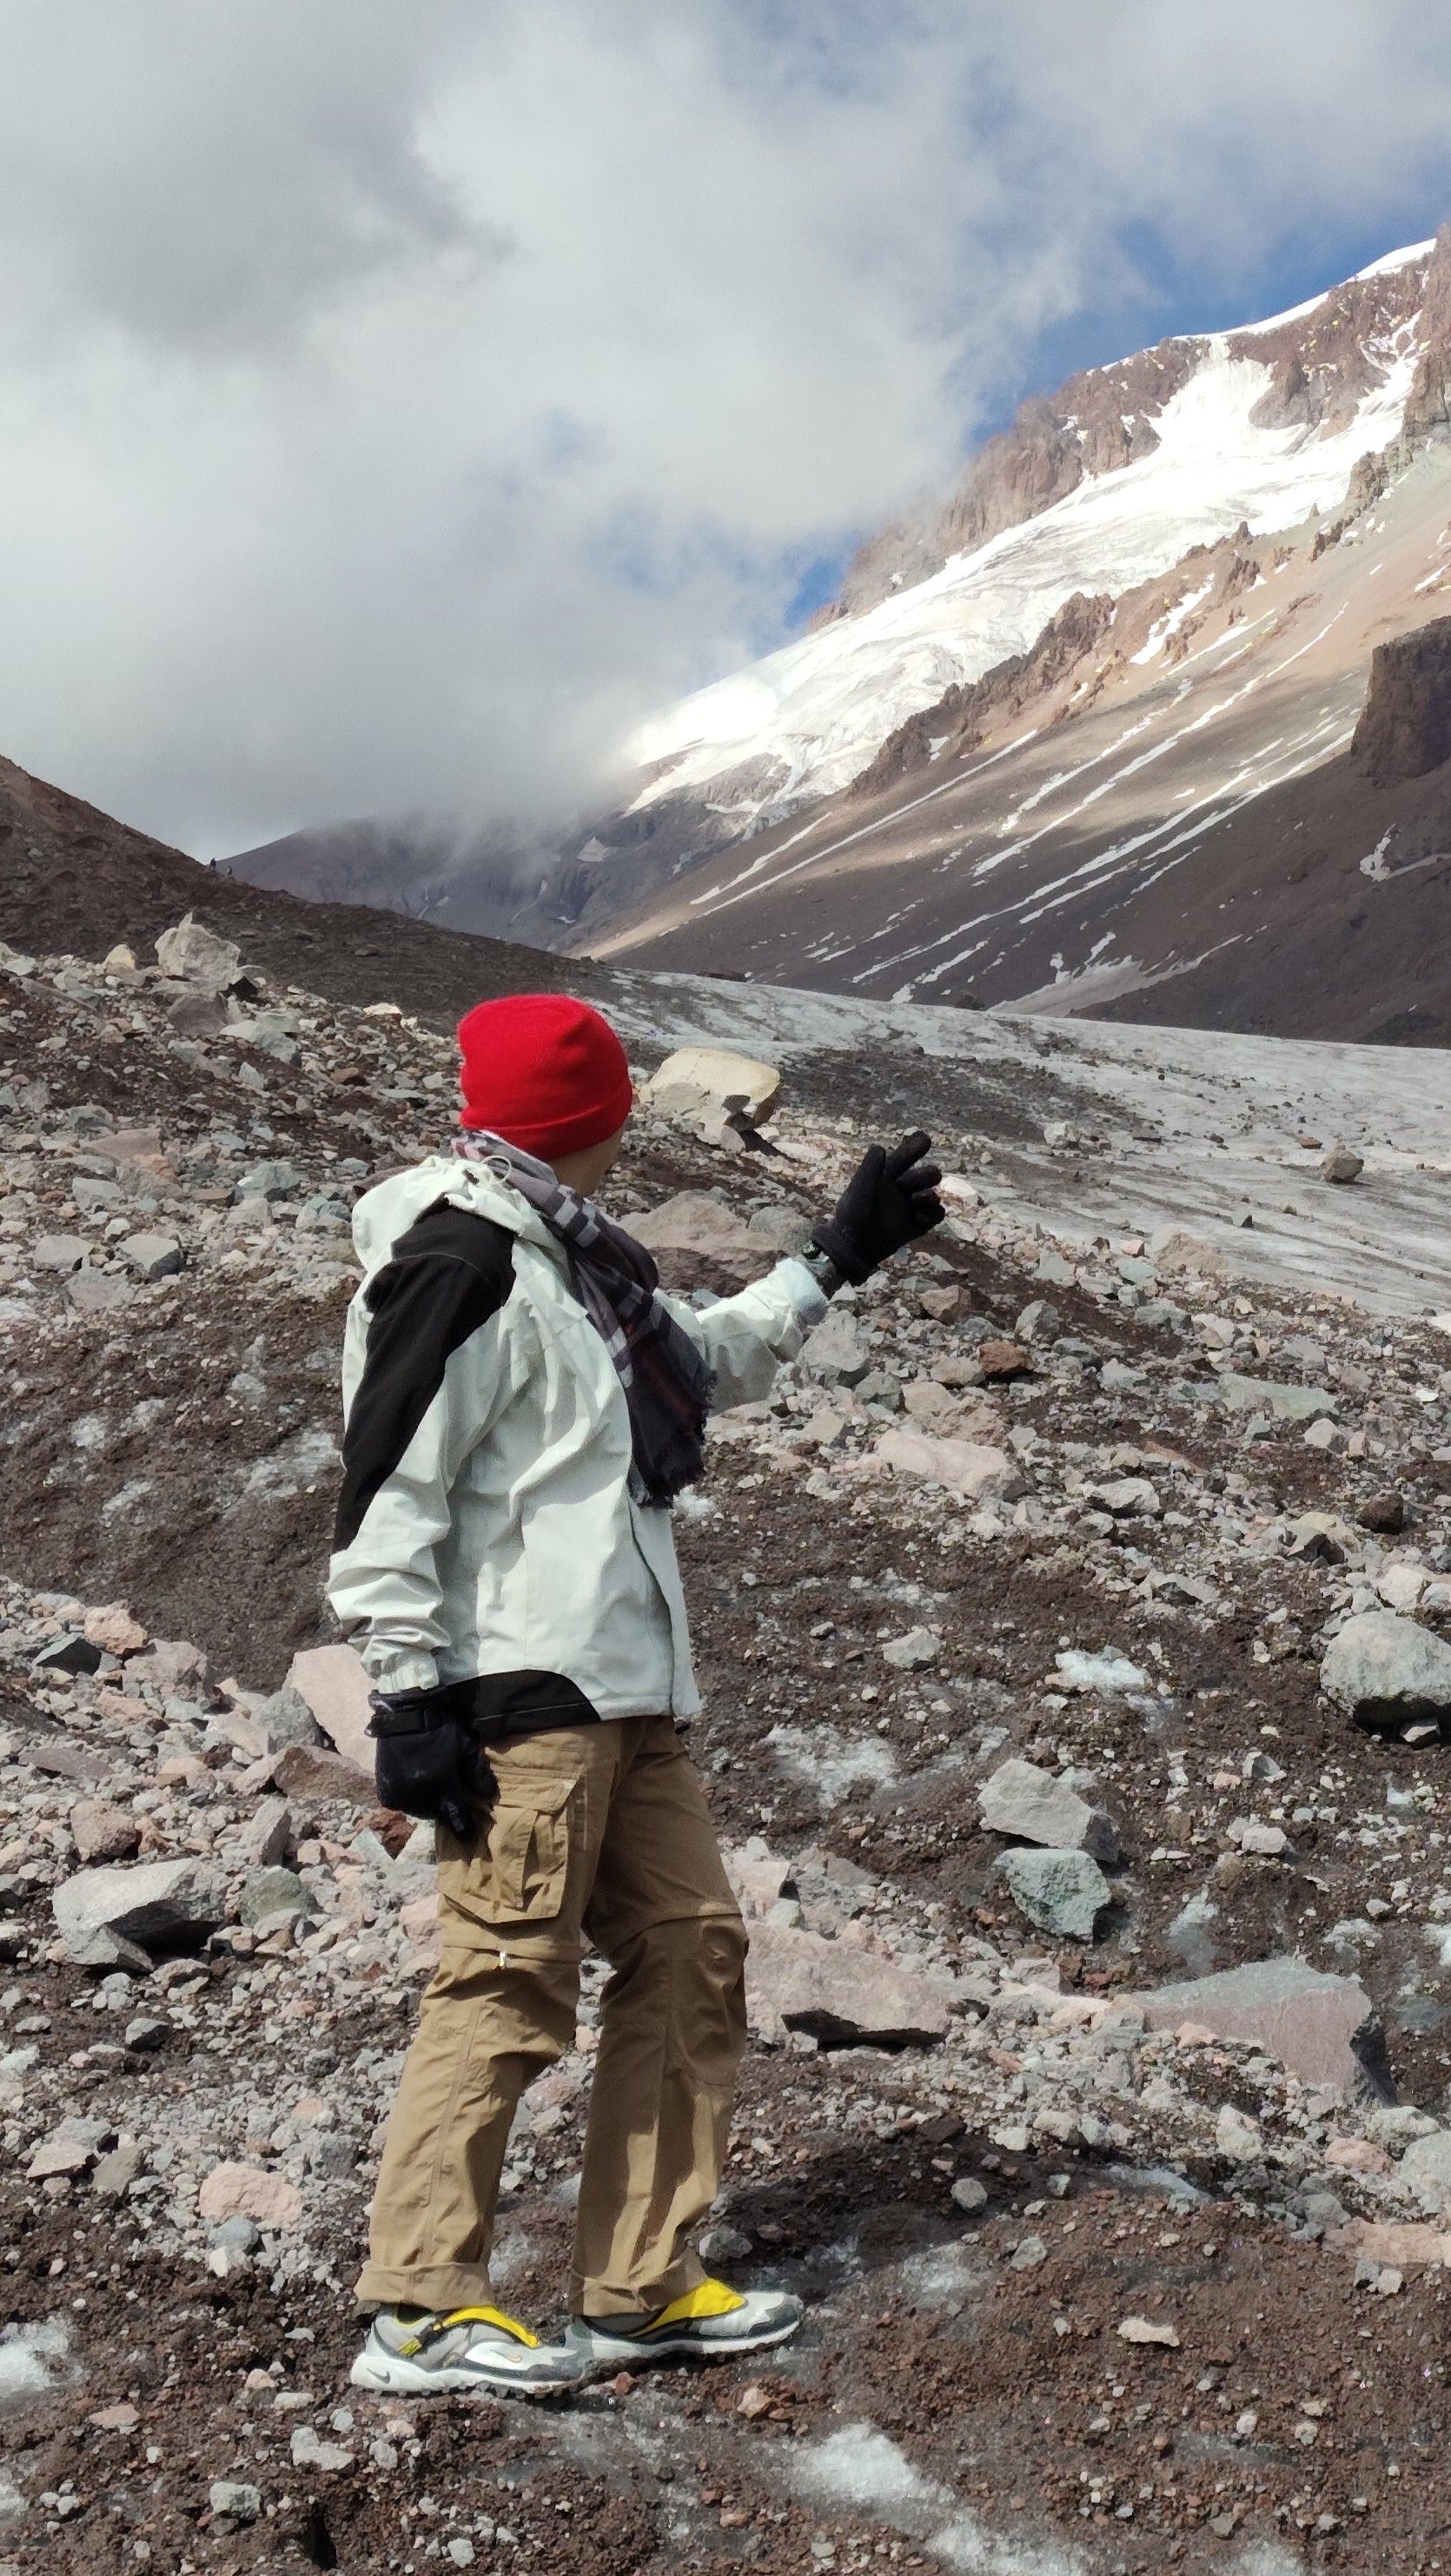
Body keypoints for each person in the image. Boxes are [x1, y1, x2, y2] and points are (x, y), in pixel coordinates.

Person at [326, 992, 944, 2398]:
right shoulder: (460, 1261)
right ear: (592, 1117)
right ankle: (421, 2305)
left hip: (628, 1686)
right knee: (504, 1982)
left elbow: (706, 1358)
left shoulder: (574, 1254)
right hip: (520, 1690)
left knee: (691, 1950)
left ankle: (641, 2285)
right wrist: (409, 1698)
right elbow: (387, 1489)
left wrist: (834, 1260)